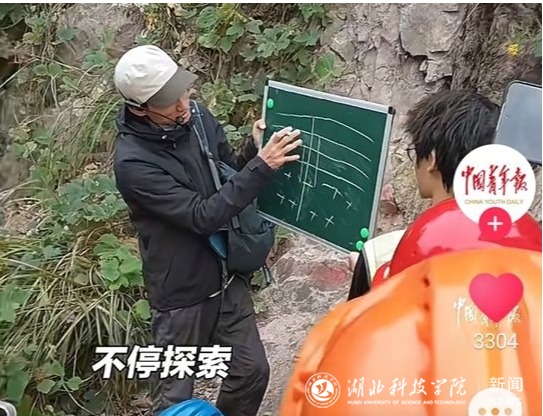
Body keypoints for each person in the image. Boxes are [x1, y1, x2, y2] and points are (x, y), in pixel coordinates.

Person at [112, 45, 302, 416]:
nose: (183, 105)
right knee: (176, 401)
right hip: (181, 293)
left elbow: (230, 173)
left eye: (182, 92)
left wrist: (254, 152)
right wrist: (261, 167)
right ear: (140, 109)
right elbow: (202, 216)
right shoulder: (133, 163)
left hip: (225, 274)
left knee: (250, 372)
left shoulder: (197, 117)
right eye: (169, 102)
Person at [347, 89, 540, 297]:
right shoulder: (530, 239)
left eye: (414, 152)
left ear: (432, 160)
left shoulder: (383, 252)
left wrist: (369, 273)